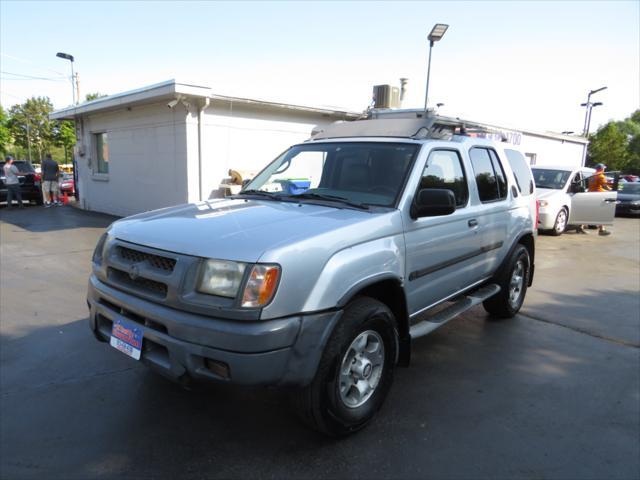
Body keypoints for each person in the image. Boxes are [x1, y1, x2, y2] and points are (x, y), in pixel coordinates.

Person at [586, 163, 612, 236]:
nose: (604, 169)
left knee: (588, 212)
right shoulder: (601, 176)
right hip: (598, 196)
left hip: (590, 194)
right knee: (602, 212)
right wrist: (612, 189)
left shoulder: (592, 175)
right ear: (602, 169)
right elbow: (604, 186)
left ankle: (580, 227)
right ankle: (601, 230)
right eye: (604, 168)